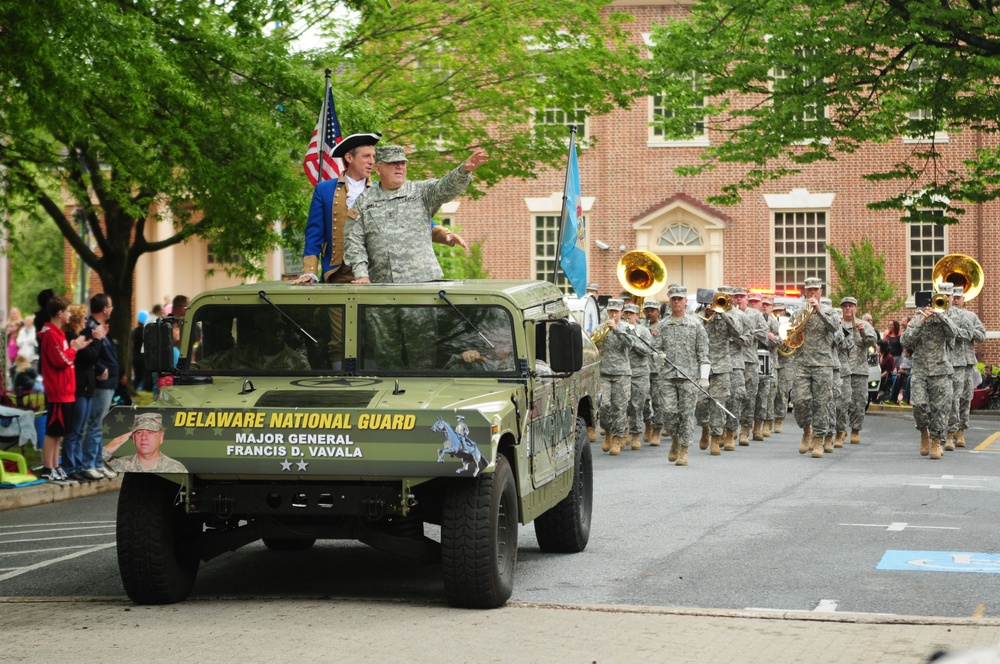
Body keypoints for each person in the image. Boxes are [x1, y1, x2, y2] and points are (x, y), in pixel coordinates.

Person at [344, 145, 487, 284]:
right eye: (393, 163)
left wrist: (463, 171)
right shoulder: (364, 200)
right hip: (382, 285)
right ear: (378, 168)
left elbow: (445, 187)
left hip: (423, 283)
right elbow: (353, 240)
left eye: (402, 163)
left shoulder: (421, 192)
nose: (399, 167)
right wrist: (361, 274)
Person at [901, 284, 960, 459]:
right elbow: (905, 341)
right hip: (920, 370)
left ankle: (936, 441)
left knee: (939, 409)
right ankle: (924, 433)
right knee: (918, 405)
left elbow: (953, 333)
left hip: (941, 370)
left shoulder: (947, 318)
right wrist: (922, 320)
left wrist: (940, 315)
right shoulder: (917, 318)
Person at [37, 296, 91, 483]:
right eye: (68, 311)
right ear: (60, 313)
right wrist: (74, 349)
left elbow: (66, 359)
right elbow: (61, 361)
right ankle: (48, 467)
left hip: (66, 391)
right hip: (58, 390)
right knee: (53, 431)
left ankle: (55, 465)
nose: (70, 314)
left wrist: (76, 347)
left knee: (60, 432)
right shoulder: (51, 335)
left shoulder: (58, 334)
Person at [656, 286, 710, 466]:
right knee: (669, 413)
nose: (677, 302)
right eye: (674, 299)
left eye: (680, 298)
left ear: (686, 300)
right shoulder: (663, 325)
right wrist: (658, 356)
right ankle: (675, 439)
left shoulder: (695, 324)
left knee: (687, 414)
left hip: (689, 377)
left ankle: (684, 450)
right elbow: (655, 349)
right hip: (668, 376)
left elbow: (703, 353)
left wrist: (704, 376)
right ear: (669, 300)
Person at [791, 277, 842, 458]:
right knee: (799, 400)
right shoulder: (798, 312)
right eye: (809, 290)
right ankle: (806, 430)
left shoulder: (830, 312)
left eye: (815, 290)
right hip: (802, 363)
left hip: (823, 363)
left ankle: (819, 439)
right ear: (805, 292)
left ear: (821, 291)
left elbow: (836, 328)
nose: (812, 293)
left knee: (821, 403)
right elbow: (791, 335)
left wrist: (819, 311)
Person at [61, 303, 105, 482]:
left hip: (87, 386)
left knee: (80, 430)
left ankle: (78, 465)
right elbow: (89, 356)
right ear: (77, 319)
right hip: (79, 386)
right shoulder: (72, 337)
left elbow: (91, 356)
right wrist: (98, 340)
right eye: (83, 318)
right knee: (74, 429)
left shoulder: (81, 337)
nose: (86, 321)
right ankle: (70, 466)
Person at [695, 287, 738, 456]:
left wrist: (722, 314)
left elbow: (738, 333)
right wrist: (705, 316)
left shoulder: (729, 316)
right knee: (700, 403)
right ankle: (705, 427)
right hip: (702, 366)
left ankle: (715, 437)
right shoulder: (698, 314)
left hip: (721, 366)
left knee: (718, 404)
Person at [81, 294, 118, 480]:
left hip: (108, 383)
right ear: (104, 309)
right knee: (95, 424)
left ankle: (96, 462)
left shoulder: (100, 328)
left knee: (99, 425)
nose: (112, 309)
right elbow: (89, 353)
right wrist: (100, 369)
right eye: (110, 306)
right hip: (101, 384)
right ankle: (90, 463)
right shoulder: (90, 328)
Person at [945, 284, 986, 449]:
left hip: (967, 362)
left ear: (963, 299)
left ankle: (961, 430)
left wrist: (963, 331)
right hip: (948, 361)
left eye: (957, 297)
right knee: (951, 397)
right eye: (952, 297)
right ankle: (949, 431)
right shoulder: (943, 314)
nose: (954, 300)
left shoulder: (971, 316)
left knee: (965, 397)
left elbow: (981, 336)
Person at [594, 299, 633, 456]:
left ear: (621, 312)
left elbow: (630, 344)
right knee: (604, 406)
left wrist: (616, 329)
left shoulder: (627, 328)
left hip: (621, 374)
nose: (613, 314)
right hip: (603, 373)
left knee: (619, 407)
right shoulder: (600, 328)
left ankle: (617, 438)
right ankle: (608, 431)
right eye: (611, 311)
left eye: (616, 311)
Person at [840, 297, 877, 445]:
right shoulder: (838, 324)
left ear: (856, 308)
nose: (848, 308)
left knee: (859, 402)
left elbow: (872, 343)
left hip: (859, 369)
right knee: (841, 401)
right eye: (845, 306)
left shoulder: (865, 325)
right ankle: (840, 429)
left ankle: (855, 430)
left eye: (850, 306)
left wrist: (863, 332)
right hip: (843, 369)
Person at [104, 412, 187, 473]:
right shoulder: (119, 466)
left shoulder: (176, 469)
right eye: (139, 432)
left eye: (150, 432)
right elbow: (92, 474)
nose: (143, 437)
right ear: (134, 438)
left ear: (161, 437)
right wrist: (106, 450)